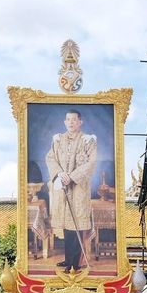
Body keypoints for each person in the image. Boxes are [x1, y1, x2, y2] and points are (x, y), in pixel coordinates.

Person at [45, 110, 97, 273]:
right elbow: (50, 158)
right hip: (62, 186)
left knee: (77, 224)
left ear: (80, 122)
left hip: (78, 188)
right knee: (67, 225)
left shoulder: (88, 140)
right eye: (68, 120)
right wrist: (60, 174)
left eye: (74, 120)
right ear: (65, 122)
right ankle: (68, 259)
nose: (71, 122)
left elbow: (91, 162)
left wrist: (72, 177)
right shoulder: (58, 140)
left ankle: (76, 262)